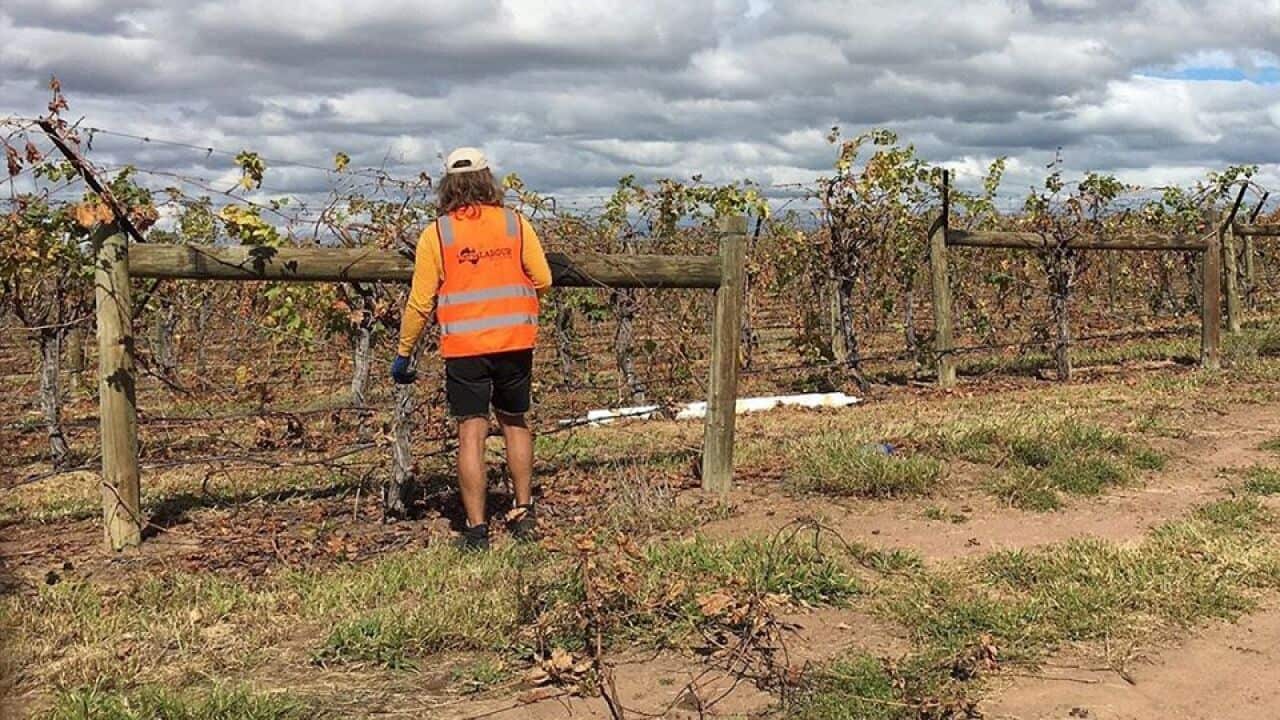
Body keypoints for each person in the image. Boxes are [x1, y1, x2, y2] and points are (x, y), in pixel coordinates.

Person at [391, 147, 552, 551]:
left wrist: (404, 352)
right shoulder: (516, 224)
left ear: (447, 185)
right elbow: (544, 278)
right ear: (488, 179)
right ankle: (523, 510)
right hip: (515, 340)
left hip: (465, 346)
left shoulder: (438, 233)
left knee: (471, 434)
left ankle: (477, 530)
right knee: (515, 422)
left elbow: (420, 301)